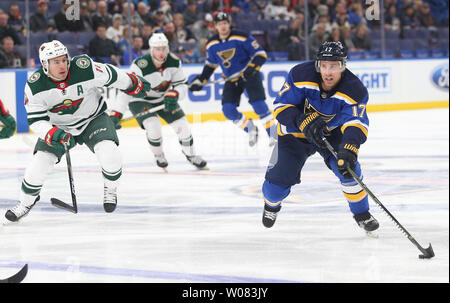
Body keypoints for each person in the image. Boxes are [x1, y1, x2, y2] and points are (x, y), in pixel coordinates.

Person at [4, 40, 151, 223]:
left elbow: (111, 74)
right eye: (56, 62)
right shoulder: (35, 86)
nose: (62, 65)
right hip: (59, 128)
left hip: (93, 119)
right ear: (45, 65)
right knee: (38, 165)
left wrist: (132, 83)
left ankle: (110, 189)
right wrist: (54, 134)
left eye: (64, 60)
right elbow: (36, 121)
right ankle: (25, 203)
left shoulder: (83, 67)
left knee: (110, 153)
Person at [261, 41, 379, 234]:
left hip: (331, 134)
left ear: (343, 65)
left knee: (349, 169)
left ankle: (362, 215)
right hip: (294, 133)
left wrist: (350, 146)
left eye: (334, 66)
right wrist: (300, 120)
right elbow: (280, 107)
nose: (328, 71)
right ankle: (271, 205)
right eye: (324, 66)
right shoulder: (300, 74)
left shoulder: (355, 89)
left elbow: (356, 122)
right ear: (318, 65)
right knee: (275, 188)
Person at [109, 33, 207, 170]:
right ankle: (159, 155)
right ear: (151, 49)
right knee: (153, 126)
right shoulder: (139, 65)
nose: (161, 52)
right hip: (140, 100)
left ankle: (191, 155)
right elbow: (126, 90)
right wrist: (117, 113)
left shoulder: (174, 62)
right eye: (157, 49)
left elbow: (181, 85)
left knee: (183, 126)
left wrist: (175, 93)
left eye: (163, 48)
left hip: (163, 98)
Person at [188, 12, 277, 147]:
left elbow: (261, 54)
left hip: (249, 75)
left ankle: (273, 134)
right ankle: (250, 128)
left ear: (229, 24)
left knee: (258, 104)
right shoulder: (212, 44)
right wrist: (201, 80)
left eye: (225, 23)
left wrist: (250, 69)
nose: (223, 26)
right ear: (215, 26)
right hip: (231, 79)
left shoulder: (242, 37)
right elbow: (210, 65)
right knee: (228, 109)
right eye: (219, 24)